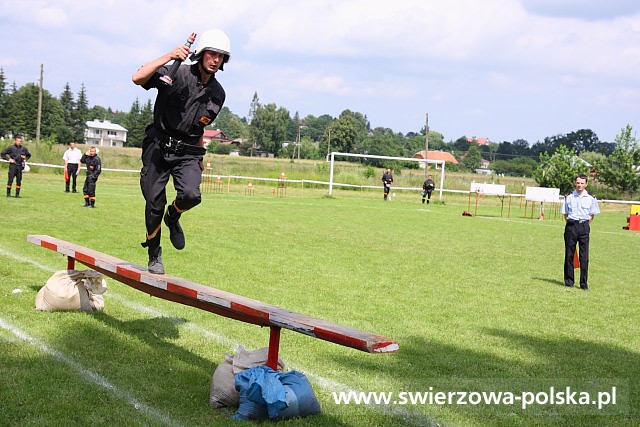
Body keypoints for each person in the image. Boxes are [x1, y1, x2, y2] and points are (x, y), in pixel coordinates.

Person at [132, 29, 230, 274]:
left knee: (191, 195)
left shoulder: (218, 94)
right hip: (157, 146)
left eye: (221, 56)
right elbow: (137, 77)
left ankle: (173, 216)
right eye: (212, 53)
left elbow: (199, 127)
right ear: (201, 53)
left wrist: (200, 158)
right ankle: (154, 254)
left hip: (188, 151)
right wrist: (169, 55)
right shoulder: (177, 71)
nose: (215, 59)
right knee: (154, 203)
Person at [561, 173, 600, 291]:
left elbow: (592, 215)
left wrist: (584, 225)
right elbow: (565, 214)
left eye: (582, 183)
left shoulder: (591, 198)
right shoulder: (569, 197)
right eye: (578, 183)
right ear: (575, 183)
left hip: (583, 227)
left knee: (584, 257)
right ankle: (569, 281)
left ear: (586, 184)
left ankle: (583, 283)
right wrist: (571, 224)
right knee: (569, 254)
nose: (579, 185)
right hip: (571, 226)